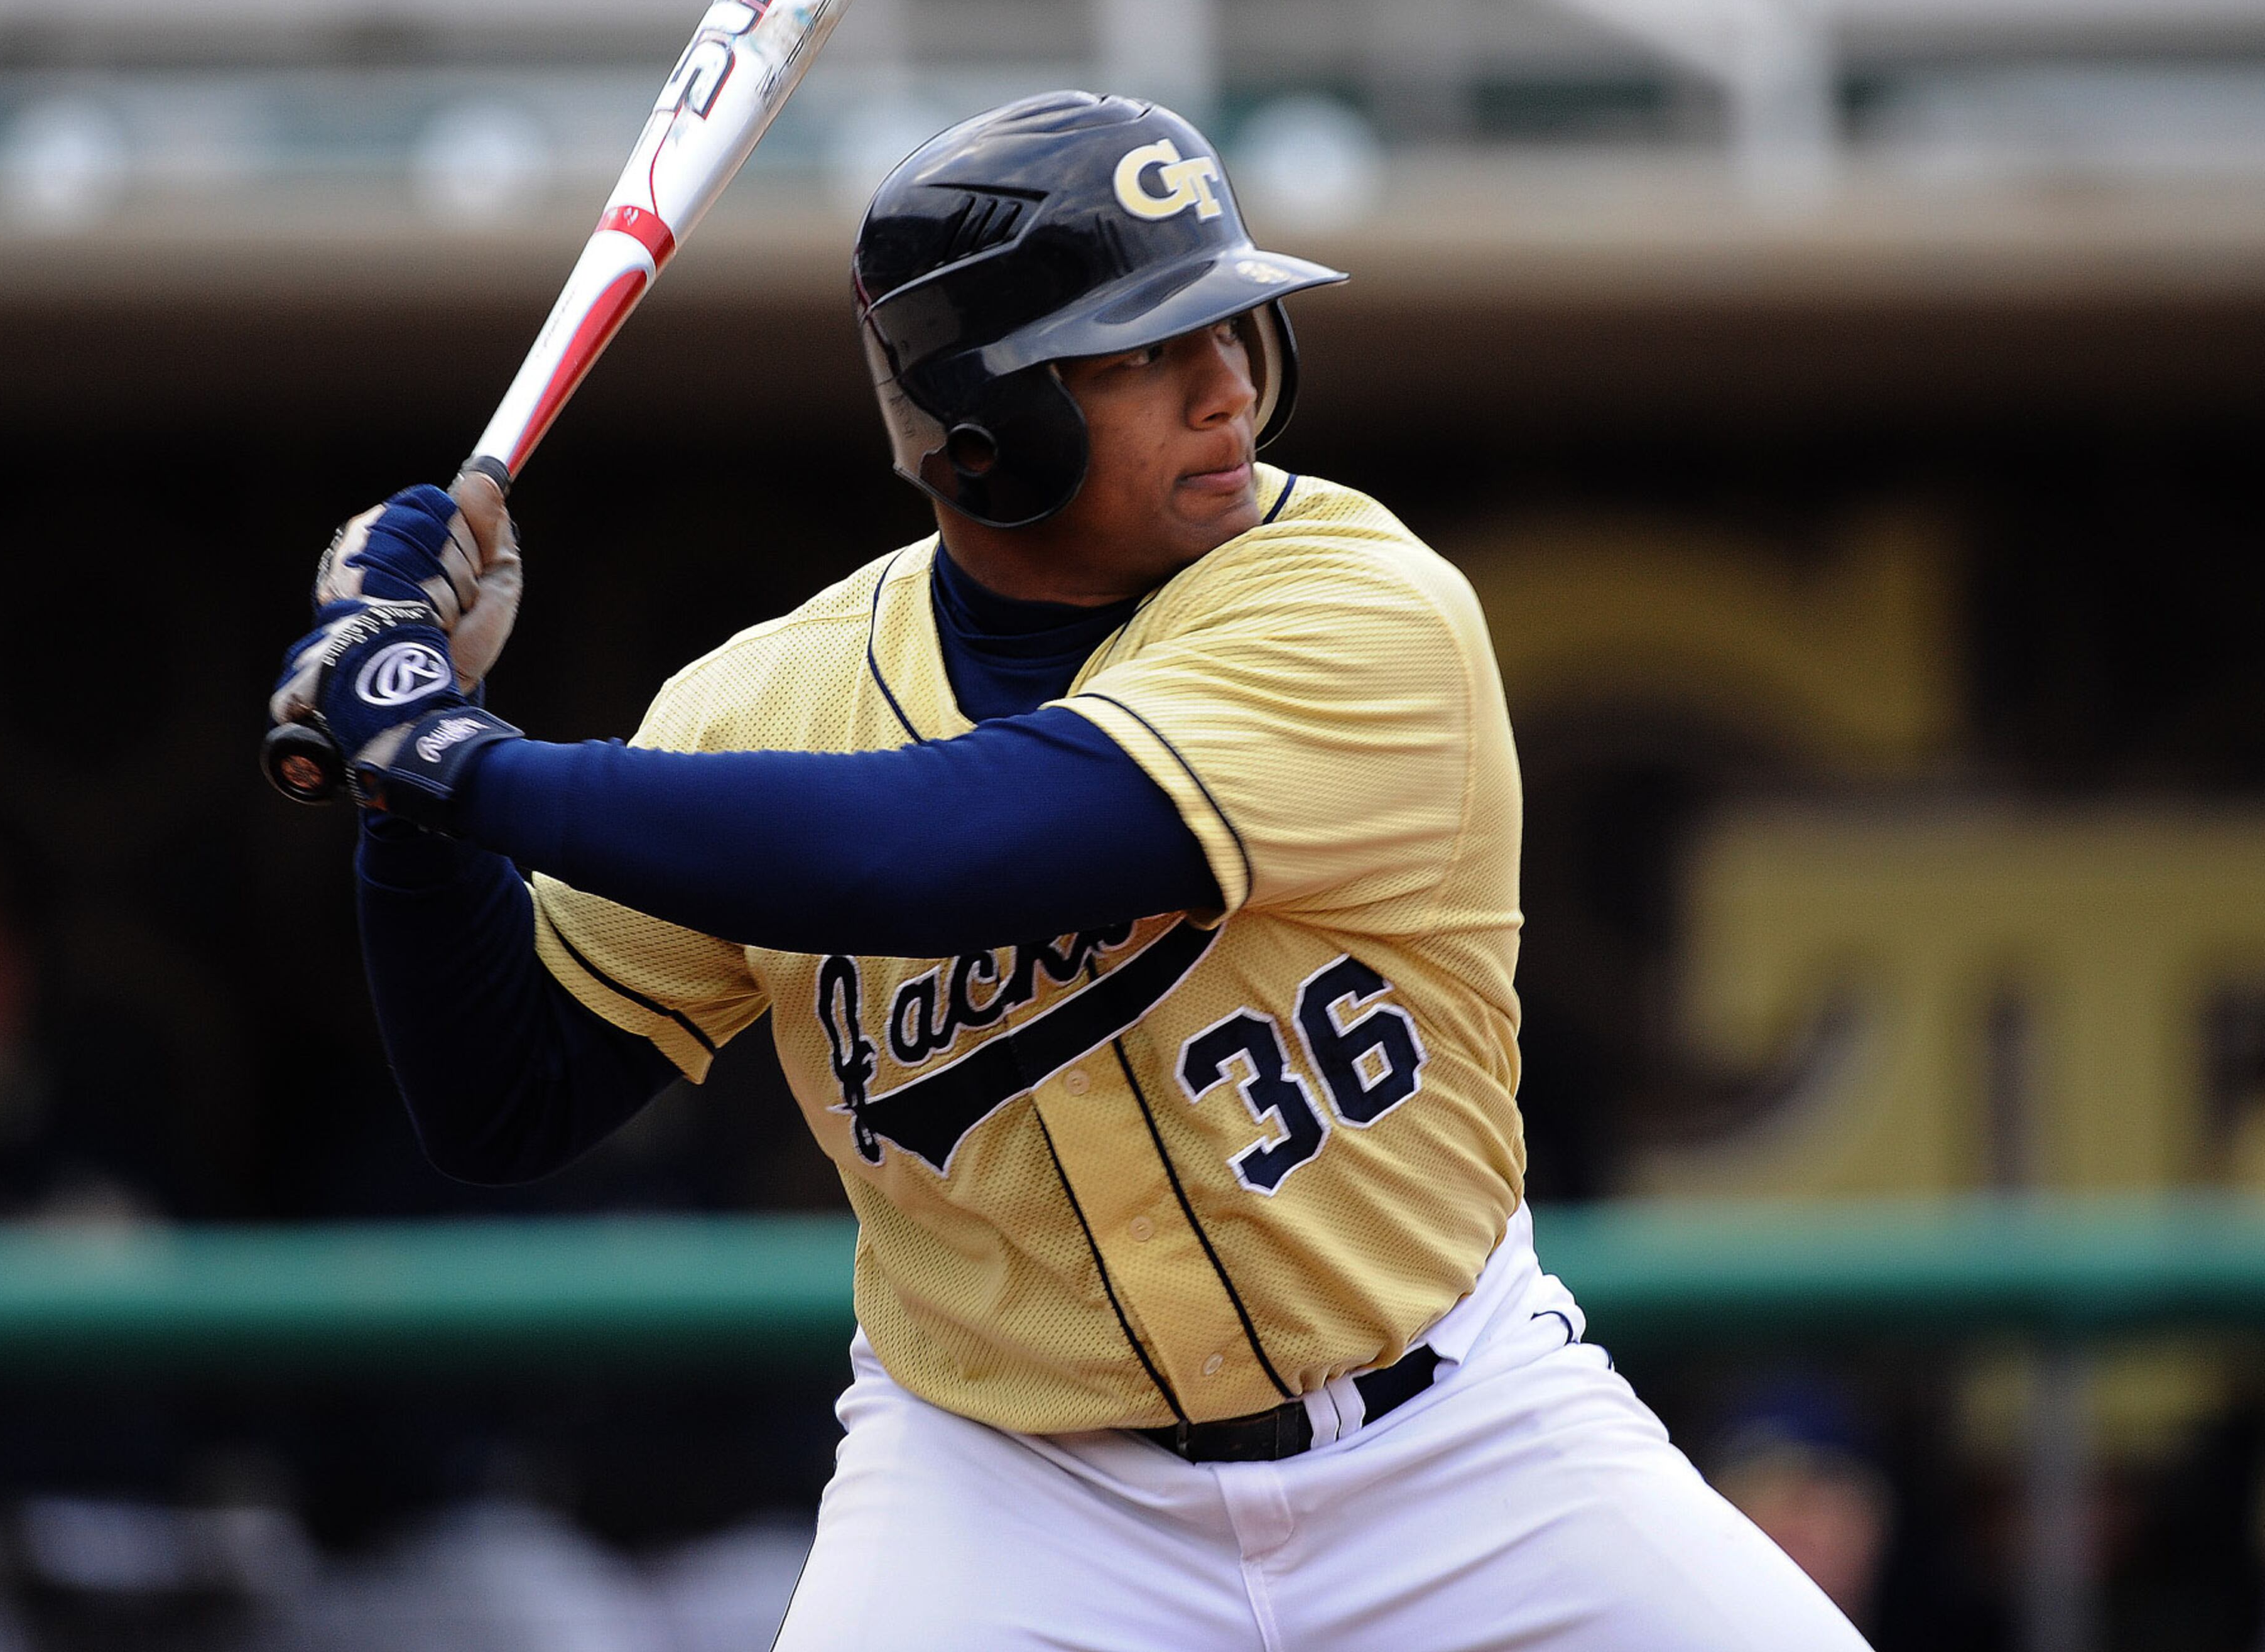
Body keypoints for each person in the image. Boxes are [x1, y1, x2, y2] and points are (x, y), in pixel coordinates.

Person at [272, 90, 1866, 1649]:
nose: (1226, 388)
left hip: (1459, 1443)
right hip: (1007, 1493)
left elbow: (942, 849)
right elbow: (503, 1099)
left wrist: (459, 757)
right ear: (985, 433)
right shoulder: (763, 707)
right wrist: (409, 800)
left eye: (1235, 328)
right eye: (1145, 354)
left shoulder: (1363, 603)